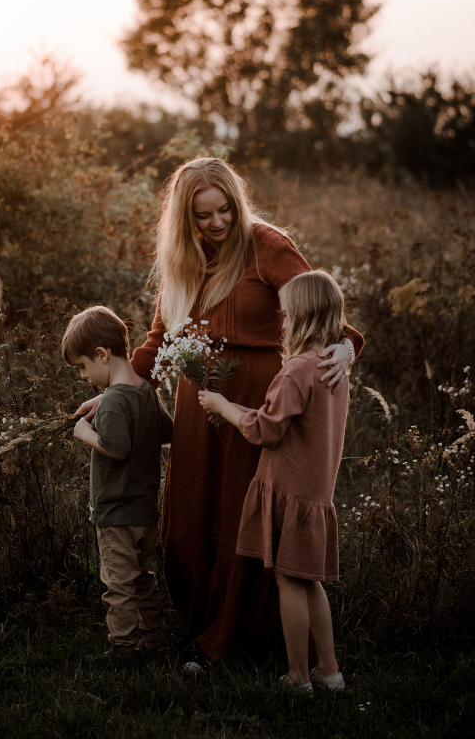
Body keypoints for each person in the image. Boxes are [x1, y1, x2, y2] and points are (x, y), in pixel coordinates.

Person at [76, 157, 363, 666]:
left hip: (254, 397)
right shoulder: (181, 260)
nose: (217, 223)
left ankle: (237, 641)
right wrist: (118, 390)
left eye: (225, 209)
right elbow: (158, 340)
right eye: (203, 215)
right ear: (185, 219)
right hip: (197, 400)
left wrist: (346, 347)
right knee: (190, 514)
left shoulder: (267, 246)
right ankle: (201, 629)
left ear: (236, 202)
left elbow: (319, 307)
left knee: (238, 517)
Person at [198, 270, 349, 693]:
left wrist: (225, 406)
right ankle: (329, 671)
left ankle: (298, 676)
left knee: (288, 581)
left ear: (299, 317)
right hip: (316, 493)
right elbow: (287, 421)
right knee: (310, 580)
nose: (281, 323)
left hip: (288, 491)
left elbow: (265, 431)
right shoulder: (334, 369)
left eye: (284, 317)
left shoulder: (297, 370)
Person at [63, 305, 173, 659]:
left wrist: (84, 433)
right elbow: (167, 432)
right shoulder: (145, 391)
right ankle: (153, 637)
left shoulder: (111, 401)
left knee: (118, 585)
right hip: (144, 512)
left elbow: (116, 447)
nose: (83, 376)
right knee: (143, 576)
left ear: (101, 354)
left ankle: (123, 648)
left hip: (116, 515)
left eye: (82, 366)